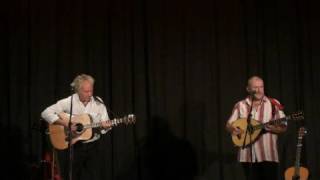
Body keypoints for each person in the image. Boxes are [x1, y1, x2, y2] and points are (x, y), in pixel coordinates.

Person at [41, 74, 112, 180]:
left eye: (91, 90)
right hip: (75, 147)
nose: (90, 94)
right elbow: (45, 113)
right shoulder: (69, 102)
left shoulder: (98, 102)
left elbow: (105, 124)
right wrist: (66, 123)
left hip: (93, 146)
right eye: (86, 91)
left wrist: (105, 127)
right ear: (78, 90)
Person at [225, 76, 287, 180]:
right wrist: (233, 129)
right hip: (247, 157)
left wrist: (272, 128)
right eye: (255, 87)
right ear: (248, 89)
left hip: (268, 155)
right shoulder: (240, 105)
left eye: (261, 87)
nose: (259, 90)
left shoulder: (273, 104)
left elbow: (283, 127)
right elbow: (228, 124)